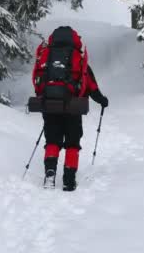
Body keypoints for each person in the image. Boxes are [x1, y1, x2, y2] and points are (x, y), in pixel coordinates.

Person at [32, 26, 109, 191]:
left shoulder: (47, 57)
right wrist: (102, 100)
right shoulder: (78, 59)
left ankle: (50, 175)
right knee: (72, 143)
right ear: (75, 41)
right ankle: (69, 180)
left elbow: (38, 82)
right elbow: (91, 86)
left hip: (50, 106)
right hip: (73, 108)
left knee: (52, 140)